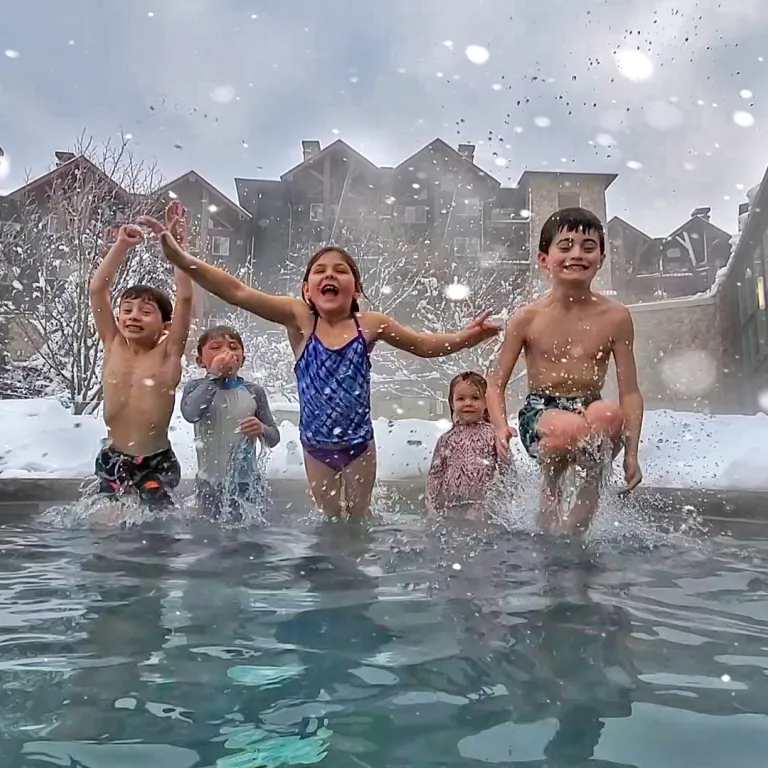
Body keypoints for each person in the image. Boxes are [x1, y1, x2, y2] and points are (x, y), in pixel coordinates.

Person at [153, 240, 499, 517]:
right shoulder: (301, 320)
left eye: (340, 270)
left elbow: (424, 345)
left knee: (357, 522)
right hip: (317, 447)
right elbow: (237, 292)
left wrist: (468, 337)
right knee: (332, 520)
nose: (329, 275)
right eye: (319, 271)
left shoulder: (370, 324)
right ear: (307, 289)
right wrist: (181, 258)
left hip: (359, 444)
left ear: (355, 289)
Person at [487, 207, 644, 534]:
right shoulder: (527, 318)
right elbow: (495, 383)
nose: (577, 254)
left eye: (588, 247)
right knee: (568, 429)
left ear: (601, 257)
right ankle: (550, 489)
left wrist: (631, 454)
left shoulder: (616, 317)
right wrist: (501, 427)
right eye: (566, 245)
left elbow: (629, 391)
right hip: (541, 412)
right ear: (544, 259)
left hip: (589, 404)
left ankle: (589, 494)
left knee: (610, 415)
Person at [88, 201, 193, 507]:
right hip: (114, 456)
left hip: (155, 462)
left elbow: (185, 298)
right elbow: (97, 290)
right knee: (104, 525)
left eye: (145, 312)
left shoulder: (169, 353)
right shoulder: (113, 343)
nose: (133, 316)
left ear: (165, 325)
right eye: (127, 310)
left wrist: (176, 247)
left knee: (156, 529)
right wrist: (121, 245)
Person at [181, 324, 281, 520]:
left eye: (233, 347)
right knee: (209, 534)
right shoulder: (196, 388)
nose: (226, 352)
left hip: (247, 484)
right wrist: (214, 376)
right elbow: (191, 414)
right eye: (216, 347)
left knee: (248, 534)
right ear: (200, 361)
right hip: (208, 484)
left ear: (242, 360)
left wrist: (261, 429)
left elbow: (274, 438)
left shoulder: (254, 392)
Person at [425, 371, 500, 518]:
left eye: (475, 398)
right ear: (452, 404)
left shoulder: (493, 435)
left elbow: (507, 469)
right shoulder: (445, 439)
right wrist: (431, 505)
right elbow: (435, 474)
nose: (468, 403)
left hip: (483, 508)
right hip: (451, 507)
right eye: (461, 399)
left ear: (486, 403)